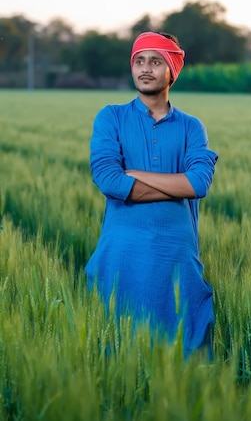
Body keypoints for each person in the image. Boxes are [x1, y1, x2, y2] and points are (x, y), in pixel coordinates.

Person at [85, 31, 218, 359]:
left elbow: (199, 184)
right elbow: (108, 180)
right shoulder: (111, 116)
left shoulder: (191, 127)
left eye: (156, 62)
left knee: (187, 358)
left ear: (172, 69)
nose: (145, 68)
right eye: (139, 61)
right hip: (121, 254)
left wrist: (135, 174)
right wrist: (176, 186)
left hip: (176, 256)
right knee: (117, 355)